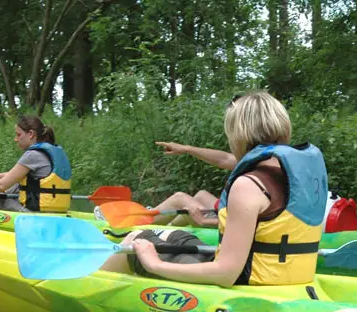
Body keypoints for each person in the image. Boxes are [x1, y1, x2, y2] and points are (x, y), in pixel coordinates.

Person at [99, 91, 329, 287]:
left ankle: (85, 291)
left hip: (249, 286)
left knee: (135, 239)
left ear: (237, 133)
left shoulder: (248, 185)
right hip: (291, 282)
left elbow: (226, 273)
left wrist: (155, 264)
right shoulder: (299, 175)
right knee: (166, 238)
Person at [0, 115, 72, 213]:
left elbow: (1, 185)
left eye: (18, 134)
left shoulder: (32, 155)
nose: (16, 139)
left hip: (33, 213)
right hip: (55, 210)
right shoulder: (52, 152)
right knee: (9, 186)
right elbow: (16, 174)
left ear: (30, 134)